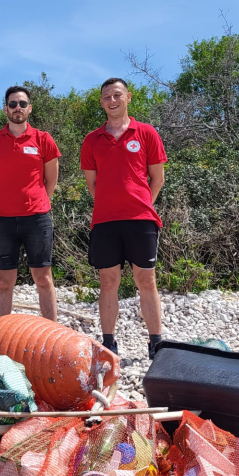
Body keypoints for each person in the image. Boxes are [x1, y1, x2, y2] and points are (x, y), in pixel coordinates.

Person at [80, 78, 167, 359]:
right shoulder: (92, 139)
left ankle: (156, 342)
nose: (112, 100)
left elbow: (157, 178)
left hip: (141, 219)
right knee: (108, 282)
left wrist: (139, 204)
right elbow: (92, 185)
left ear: (128, 97)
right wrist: (111, 204)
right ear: (102, 102)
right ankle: (108, 343)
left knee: (146, 280)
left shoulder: (147, 133)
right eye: (106, 97)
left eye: (117, 95)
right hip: (105, 221)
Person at [0, 85, 61, 321]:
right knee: (4, 282)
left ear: (30, 108)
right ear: (6, 109)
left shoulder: (44, 139)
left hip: (37, 218)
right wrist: (7, 202)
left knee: (43, 278)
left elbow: (51, 181)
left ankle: (52, 335)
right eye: (13, 104)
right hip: (3, 220)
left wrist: (35, 201)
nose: (17, 108)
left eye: (22, 104)